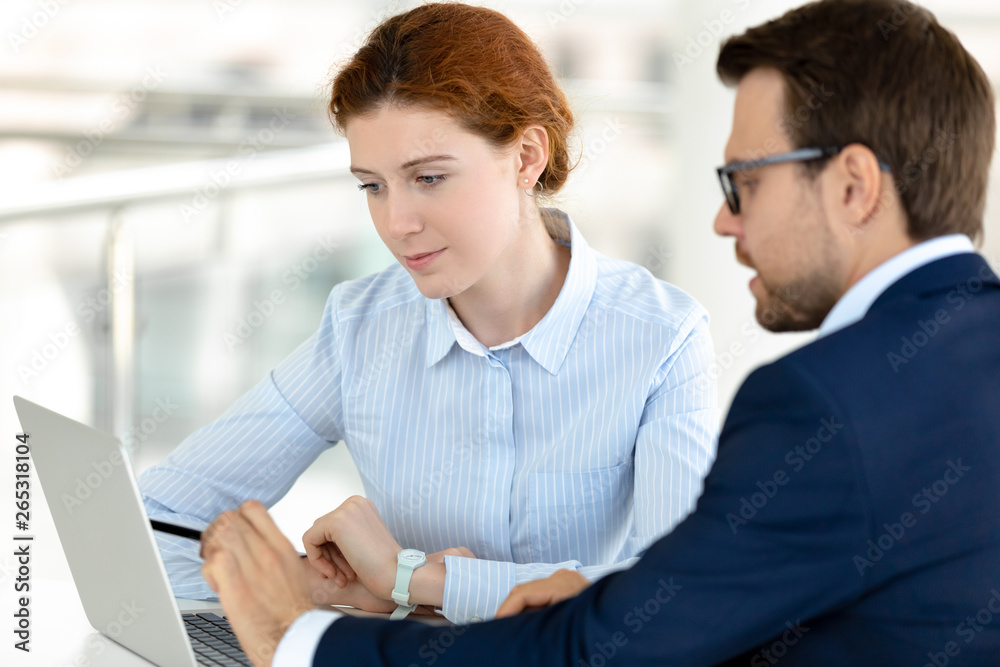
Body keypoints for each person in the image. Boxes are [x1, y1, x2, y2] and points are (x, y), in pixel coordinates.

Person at [198, 0, 1000, 664]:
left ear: (855, 185)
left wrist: (304, 636)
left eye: (742, 182)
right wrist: (616, 605)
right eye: (373, 185)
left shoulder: (822, 401)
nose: (724, 220)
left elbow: (623, 649)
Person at [139, 2, 719, 625]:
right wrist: (305, 586)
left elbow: (677, 592)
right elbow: (156, 521)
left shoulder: (661, 337)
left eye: (430, 178)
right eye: (373, 185)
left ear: (526, 157)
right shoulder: (360, 327)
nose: (397, 223)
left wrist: (412, 578)